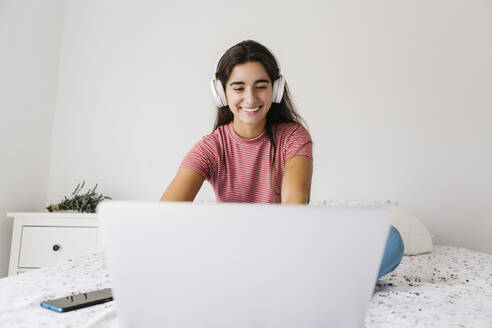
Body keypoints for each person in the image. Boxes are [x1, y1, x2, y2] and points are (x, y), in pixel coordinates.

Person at [160, 40, 403, 278]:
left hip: (287, 246)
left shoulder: (293, 137)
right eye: (238, 87)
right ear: (221, 93)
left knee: (388, 238)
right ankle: (306, 285)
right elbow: (163, 216)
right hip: (234, 253)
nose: (251, 98)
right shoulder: (210, 147)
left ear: (276, 89)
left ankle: (291, 283)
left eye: (261, 86)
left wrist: (278, 254)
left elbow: (294, 204)